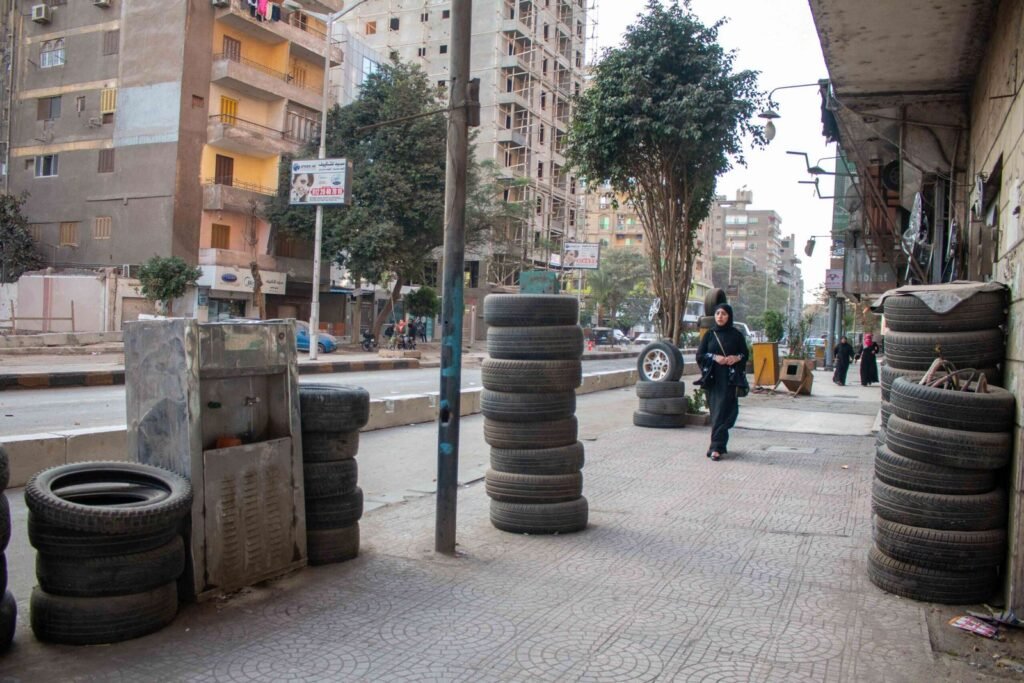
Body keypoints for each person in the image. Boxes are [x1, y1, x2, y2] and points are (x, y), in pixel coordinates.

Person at [696, 303, 747, 461]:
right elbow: (700, 355)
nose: (720, 316)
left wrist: (736, 358)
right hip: (714, 379)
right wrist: (714, 357)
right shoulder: (710, 335)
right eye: (717, 313)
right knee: (717, 413)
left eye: (723, 314)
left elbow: (745, 355)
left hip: (730, 379)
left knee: (728, 413)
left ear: (729, 316)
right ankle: (716, 447)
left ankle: (717, 446)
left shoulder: (736, 335)